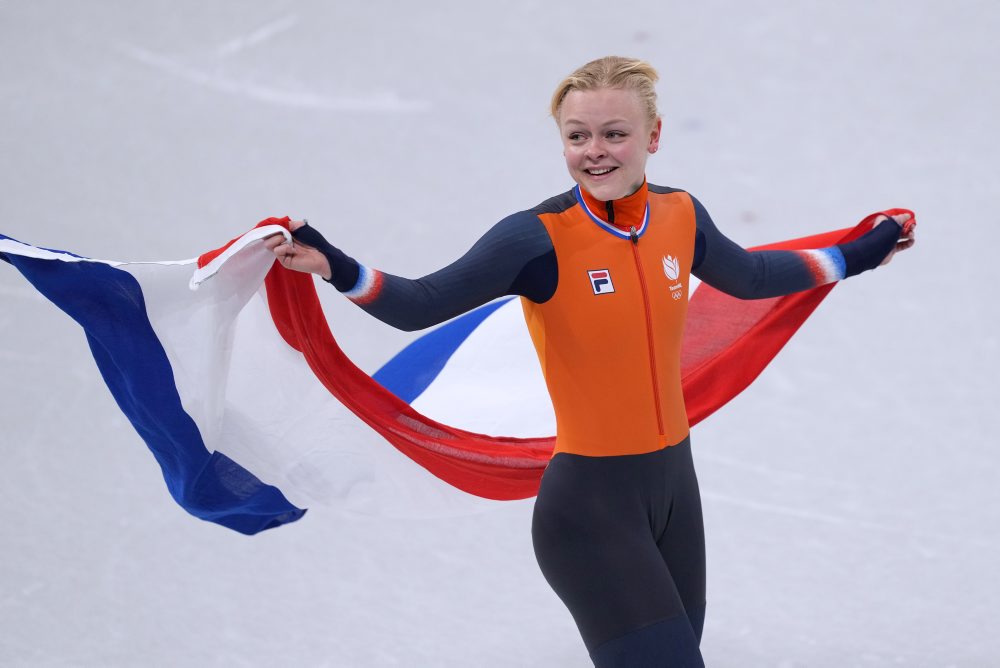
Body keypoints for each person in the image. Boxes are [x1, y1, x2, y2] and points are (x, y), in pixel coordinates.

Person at [264, 56, 914, 667]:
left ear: (653, 136)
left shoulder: (680, 215)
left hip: (673, 495)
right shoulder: (536, 237)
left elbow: (749, 276)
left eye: (613, 133)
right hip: (589, 511)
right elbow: (420, 301)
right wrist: (336, 266)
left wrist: (861, 252)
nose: (594, 150)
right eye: (577, 136)